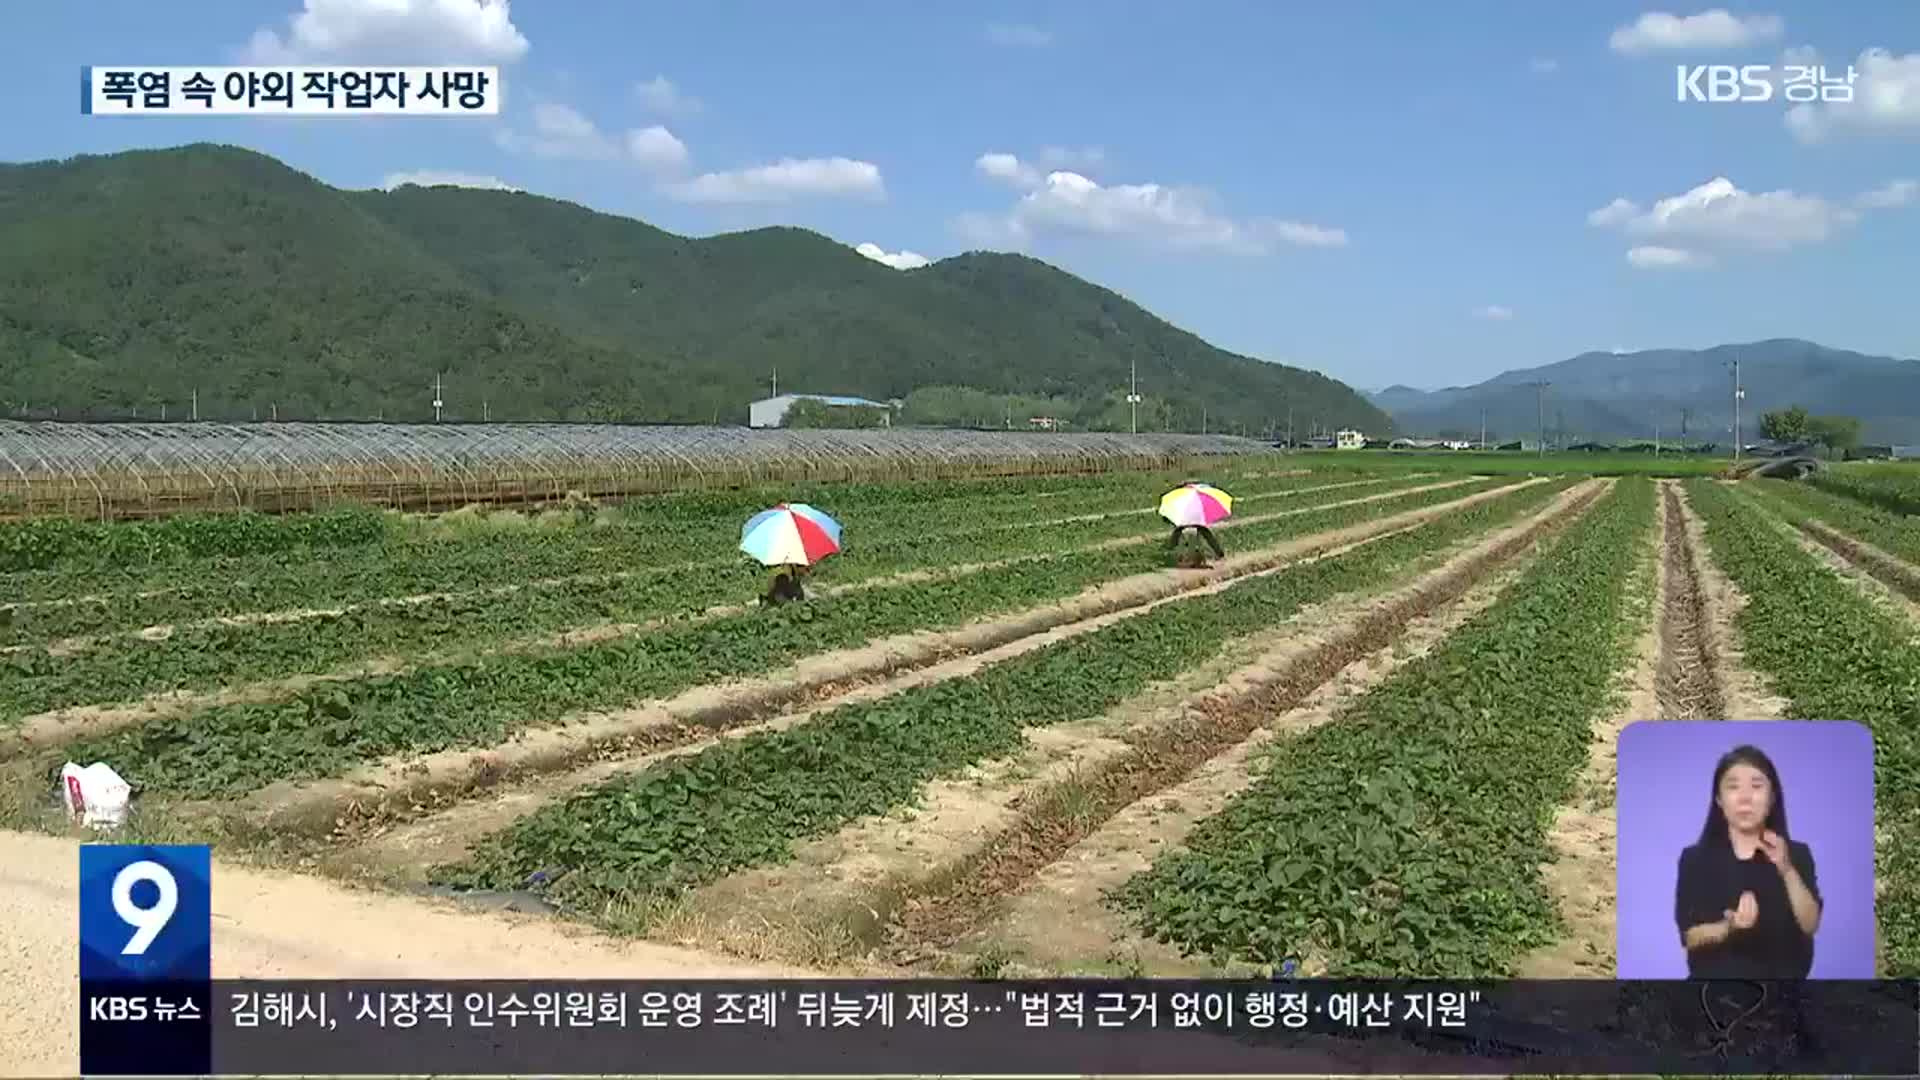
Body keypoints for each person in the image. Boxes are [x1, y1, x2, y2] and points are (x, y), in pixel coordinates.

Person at [1674, 745, 1822, 978]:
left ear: (1772, 797)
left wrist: (1786, 869)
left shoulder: (1797, 854)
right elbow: (1690, 937)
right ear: (1719, 800)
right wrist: (1728, 928)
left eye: (1756, 786)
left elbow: (1811, 924)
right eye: (1733, 787)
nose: (1744, 798)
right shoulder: (1695, 859)